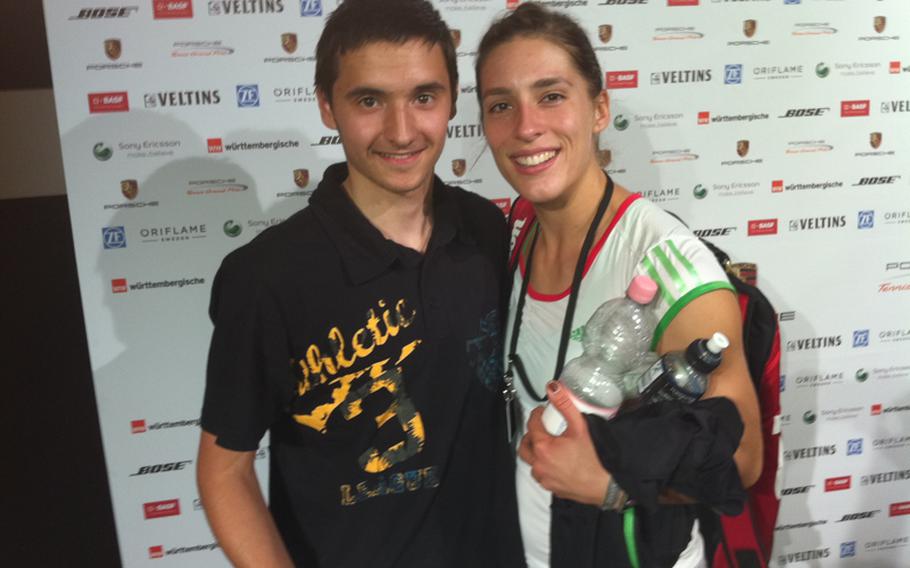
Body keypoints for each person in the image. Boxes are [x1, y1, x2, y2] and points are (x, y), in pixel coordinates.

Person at [197, 1, 524, 566]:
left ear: (450, 101)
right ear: (328, 106)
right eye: (369, 100)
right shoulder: (265, 277)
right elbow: (224, 472)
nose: (401, 132)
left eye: (424, 97)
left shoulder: (486, 229)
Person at [475, 4, 762, 568]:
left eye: (551, 95)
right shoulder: (509, 234)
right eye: (501, 105)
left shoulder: (665, 261)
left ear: (599, 108)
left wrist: (613, 483)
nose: (526, 125)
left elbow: (744, 457)